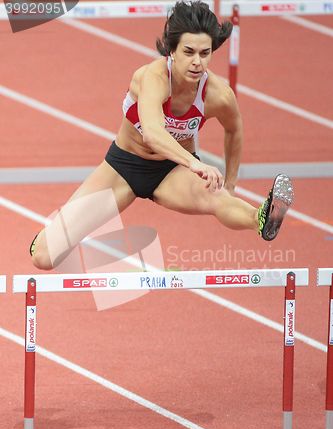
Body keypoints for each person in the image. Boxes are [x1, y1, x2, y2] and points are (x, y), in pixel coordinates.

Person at [30, 0, 294, 270]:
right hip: (123, 167)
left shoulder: (218, 95)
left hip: (171, 172)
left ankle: (261, 219)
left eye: (205, 53)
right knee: (44, 257)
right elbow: (153, 134)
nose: (197, 62)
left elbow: (234, 130)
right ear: (172, 50)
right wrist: (195, 163)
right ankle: (47, 237)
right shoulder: (152, 77)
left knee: (217, 197)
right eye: (189, 52)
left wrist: (230, 184)